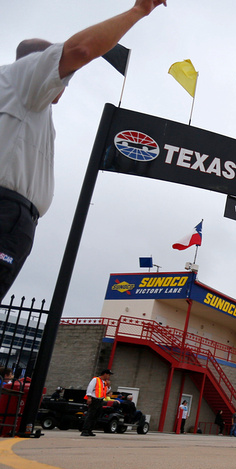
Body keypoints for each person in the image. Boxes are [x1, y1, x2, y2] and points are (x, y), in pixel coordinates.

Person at [0, 0, 167, 301]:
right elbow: (80, 50)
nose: (65, 82)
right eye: (64, 74)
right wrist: (139, 10)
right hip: (6, 212)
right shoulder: (26, 80)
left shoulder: (14, 98)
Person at [81, 368, 112, 437]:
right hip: (94, 399)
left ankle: (90, 430)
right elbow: (90, 388)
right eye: (109, 375)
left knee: (96, 416)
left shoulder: (104, 382)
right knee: (90, 415)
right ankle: (85, 430)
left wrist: (108, 386)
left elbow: (106, 391)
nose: (109, 377)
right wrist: (89, 397)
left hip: (100, 400)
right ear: (105, 374)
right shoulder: (95, 380)